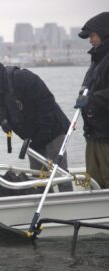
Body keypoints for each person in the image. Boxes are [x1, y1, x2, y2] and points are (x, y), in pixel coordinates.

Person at [0, 52, 72, 191]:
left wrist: (44, 131)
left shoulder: (21, 78)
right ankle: (46, 207)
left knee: (60, 173)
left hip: (53, 130)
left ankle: (67, 203)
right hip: (32, 138)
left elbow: (46, 102)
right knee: (39, 179)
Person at [74, 12, 109, 189]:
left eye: (92, 36)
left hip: (106, 136)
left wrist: (92, 100)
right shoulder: (98, 59)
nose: (90, 40)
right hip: (94, 133)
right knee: (92, 181)